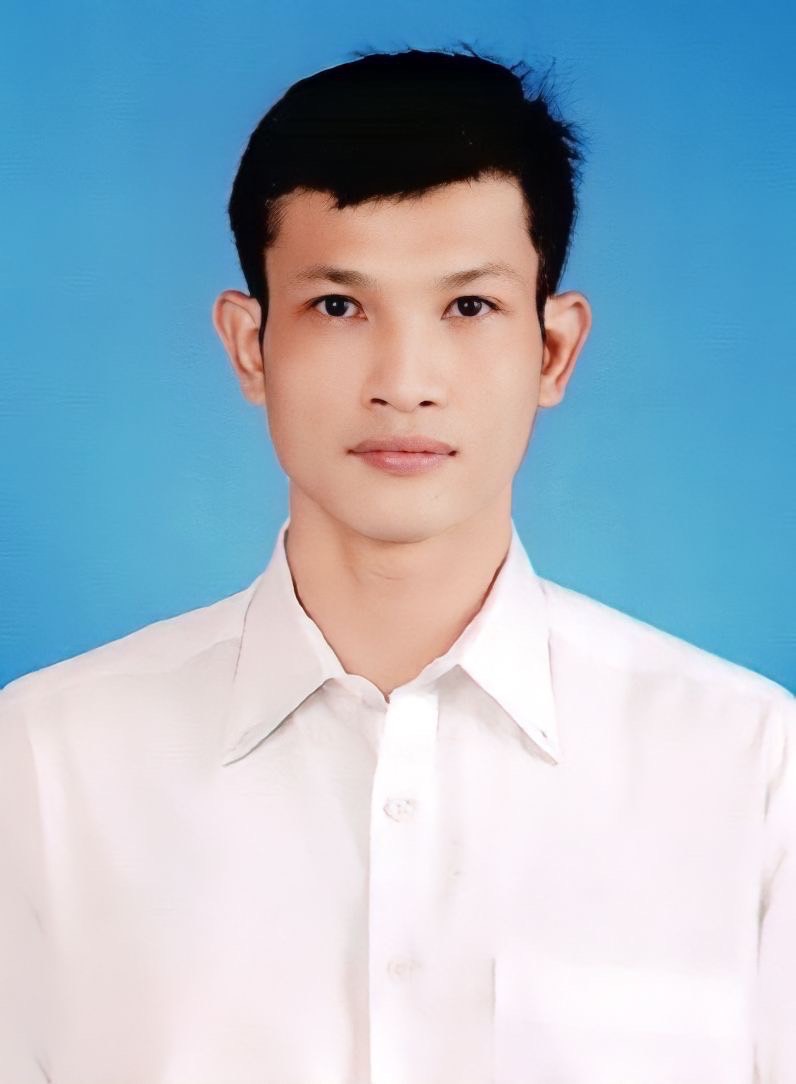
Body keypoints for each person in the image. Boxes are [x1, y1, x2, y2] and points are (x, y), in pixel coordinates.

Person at [1, 45, 793, 1084]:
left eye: (469, 307)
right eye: (339, 306)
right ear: (249, 346)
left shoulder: (748, 766)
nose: (404, 381)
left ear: (554, 350)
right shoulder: (45, 764)